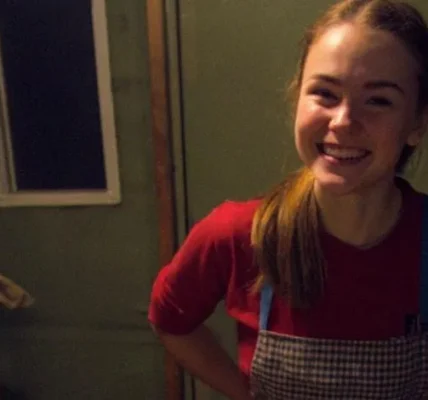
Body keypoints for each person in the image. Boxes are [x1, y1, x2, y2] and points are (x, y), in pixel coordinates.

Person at [148, 0, 428, 398]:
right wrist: (244, 393)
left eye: (378, 100)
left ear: (417, 123)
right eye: (325, 93)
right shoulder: (238, 234)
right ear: (297, 98)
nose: (343, 121)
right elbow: (170, 319)